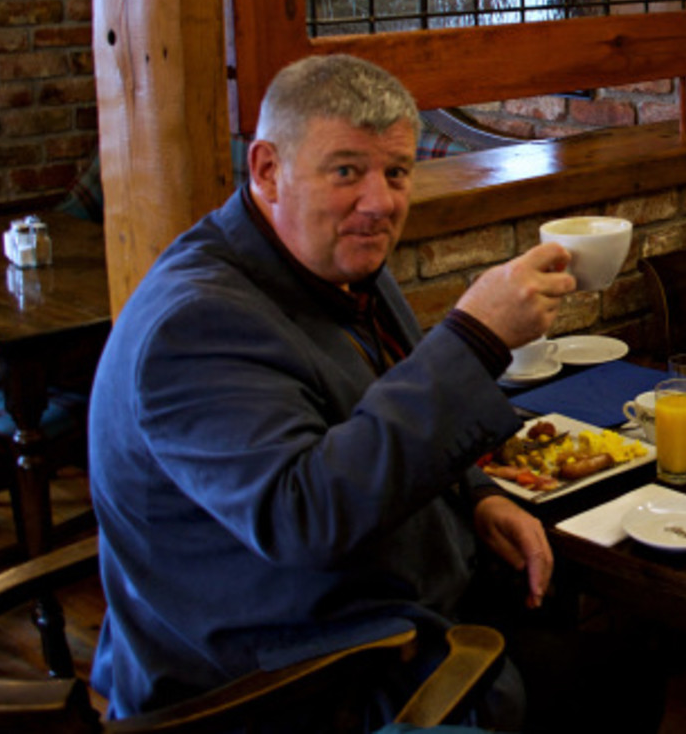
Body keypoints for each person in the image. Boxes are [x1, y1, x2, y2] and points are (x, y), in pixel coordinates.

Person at [88, 54, 574, 730]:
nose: (379, 202)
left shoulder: (334, 260)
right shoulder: (196, 324)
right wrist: (476, 341)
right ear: (267, 171)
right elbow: (302, 517)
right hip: (274, 675)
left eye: (396, 172)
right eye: (346, 170)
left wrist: (480, 495)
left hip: (374, 602)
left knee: (618, 647)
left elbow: (371, 416)